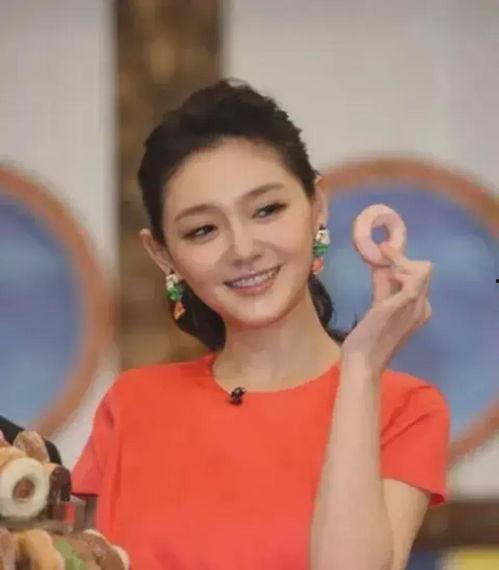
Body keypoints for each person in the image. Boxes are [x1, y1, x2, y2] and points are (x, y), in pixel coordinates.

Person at [72, 79, 450, 570]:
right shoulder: (132, 406)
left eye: (266, 210)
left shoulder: (405, 409)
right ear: (162, 254)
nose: (243, 249)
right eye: (203, 229)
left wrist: (360, 370)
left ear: (317, 206)